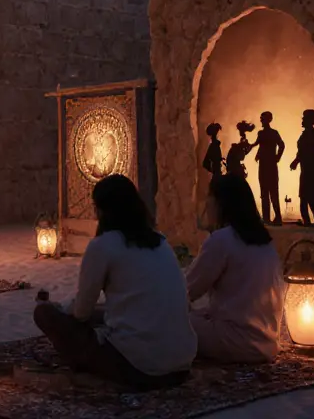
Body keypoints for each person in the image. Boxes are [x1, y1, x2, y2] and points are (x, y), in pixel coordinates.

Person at [33, 174, 196, 389]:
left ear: (101, 211)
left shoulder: (103, 246)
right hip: (182, 362)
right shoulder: (160, 242)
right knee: (102, 312)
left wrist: (61, 310)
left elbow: (81, 311)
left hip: (139, 366)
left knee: (44, 314)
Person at [185, 175, 284, 363]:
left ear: (220, 204)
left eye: (209, 198)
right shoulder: (265, 241)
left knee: (170, 321)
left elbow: (188, 289)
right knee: (197, 315)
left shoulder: (221, 240)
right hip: (267, 342)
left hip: (237, 342)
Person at [253, 112, 286, 225]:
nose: (261, 120)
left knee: (271, 191)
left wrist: (277, 157)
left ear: (268, 120)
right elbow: (259, 145)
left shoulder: (271, 133)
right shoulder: (263, 133)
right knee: (266, 192)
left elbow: (281, 145)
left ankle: (276, 217)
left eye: (263, 119)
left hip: (269, 165)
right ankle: (267, 218)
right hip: (265, 165)